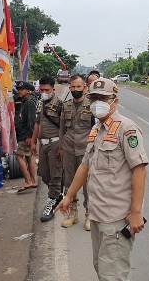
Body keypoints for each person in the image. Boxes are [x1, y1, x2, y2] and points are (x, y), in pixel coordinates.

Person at [56, 78, 148, 281]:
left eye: (102, 98)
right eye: (94, 98)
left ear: (114, 100)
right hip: (98, 214)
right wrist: (69, 195)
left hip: (116, 217)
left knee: (112, 275)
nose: (97, 102)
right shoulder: (97, 129)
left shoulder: (127, 128)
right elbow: (85, 166)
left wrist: (136, 212)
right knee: (100, 267)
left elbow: (139, 170)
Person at [59, 74, 94, 230]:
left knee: (87, 184)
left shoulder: (92, 106)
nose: (75, 90)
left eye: (78, 87)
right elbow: (61, 130)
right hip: (68, 149)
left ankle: (89, 215)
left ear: (84, 87)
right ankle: (72, 214)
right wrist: (61, 147)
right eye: (72, 87)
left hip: (86, 151)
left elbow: (97, 129)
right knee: (69, 182)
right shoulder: (65, 106)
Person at [32, 76, 64, 221]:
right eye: (42, 89)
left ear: (53, 89)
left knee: (55, 175)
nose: (44, 92)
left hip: (55, 143)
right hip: (42, 144)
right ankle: (58, 194)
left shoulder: (59, 104)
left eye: (47, 90)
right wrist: (33, 142)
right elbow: (37, 123)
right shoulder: (40, 103)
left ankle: (51, 203)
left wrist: (62, 146)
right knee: (44, 174)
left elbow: (64, 127)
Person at [15, 81, 38, 193]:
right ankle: (33, 181)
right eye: (18, 89)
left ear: (28, 91)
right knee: (30, 157)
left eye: (22, 89)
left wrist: (30, 136)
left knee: (19, 156)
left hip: (26, 135)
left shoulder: (29, 102)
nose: (19, 91)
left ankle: (28, 181)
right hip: (26, 134)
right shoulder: (27, 100)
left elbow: (32, 120)